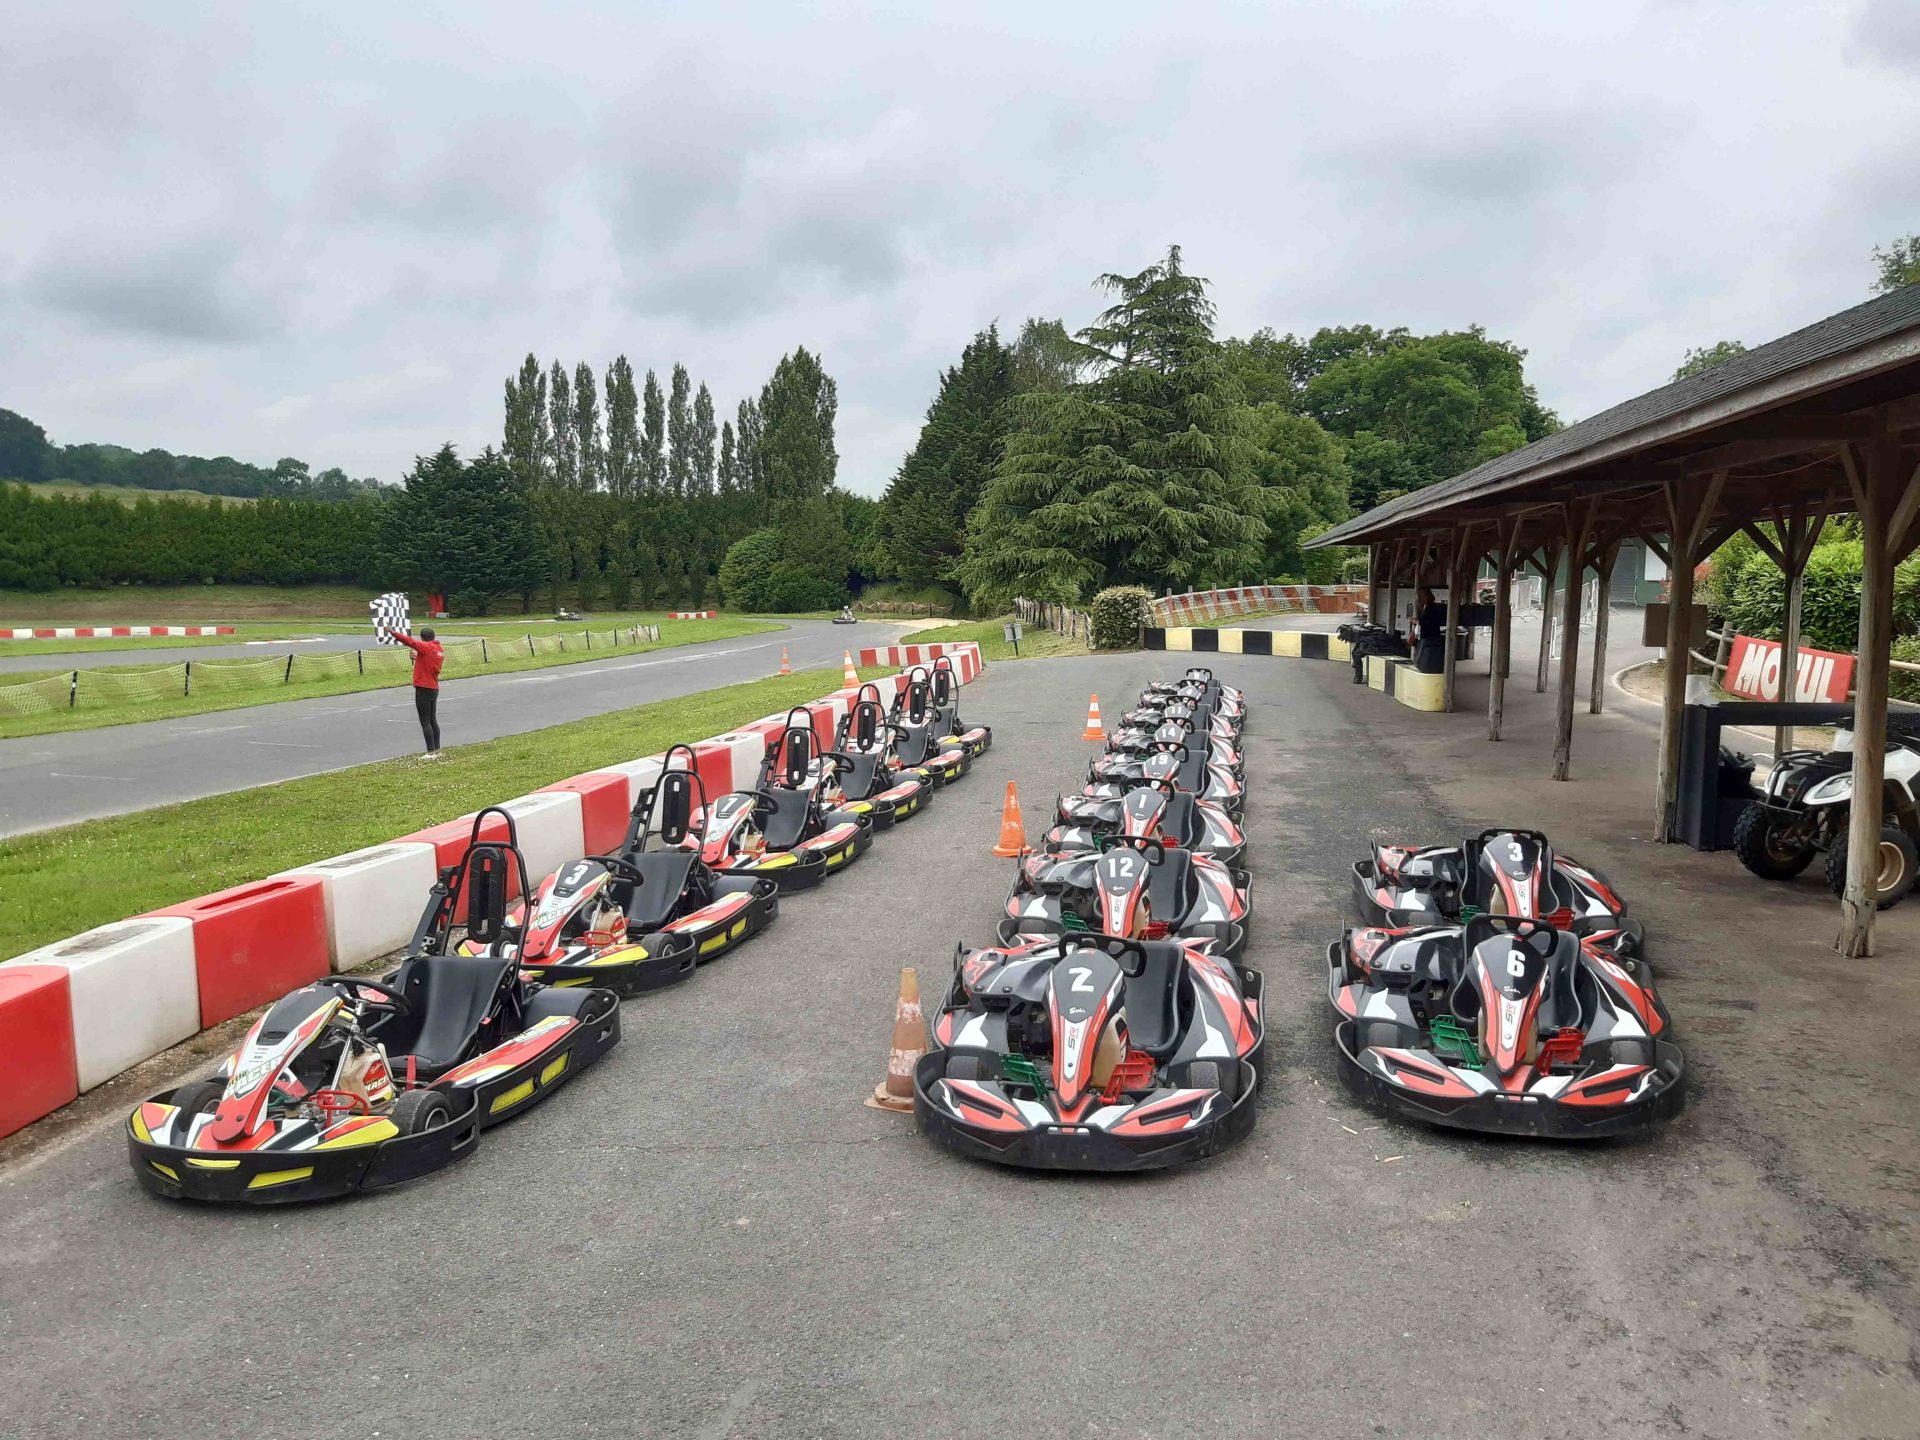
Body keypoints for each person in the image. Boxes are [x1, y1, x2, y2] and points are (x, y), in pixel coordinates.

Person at [393, 626, 444, 757]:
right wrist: (417, 658)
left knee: (425, 721)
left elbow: (410, 641)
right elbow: (429, 663)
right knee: (433, 720)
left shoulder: (426, 647)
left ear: (422, 638)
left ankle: (430, 751)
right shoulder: (438, 649)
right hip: (433, 687)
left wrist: (393, 632)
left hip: (423, 687)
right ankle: (437, 749)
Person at [1413, 587, 1448, 674]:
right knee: (1419, 650)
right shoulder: (1426, 606)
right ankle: (1417, 664)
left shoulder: (1432, 607)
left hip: (1430, 635)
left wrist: (1418, 621)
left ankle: (1417, 665)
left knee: (1420, 652)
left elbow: (1431, 621)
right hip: (1427, 634)